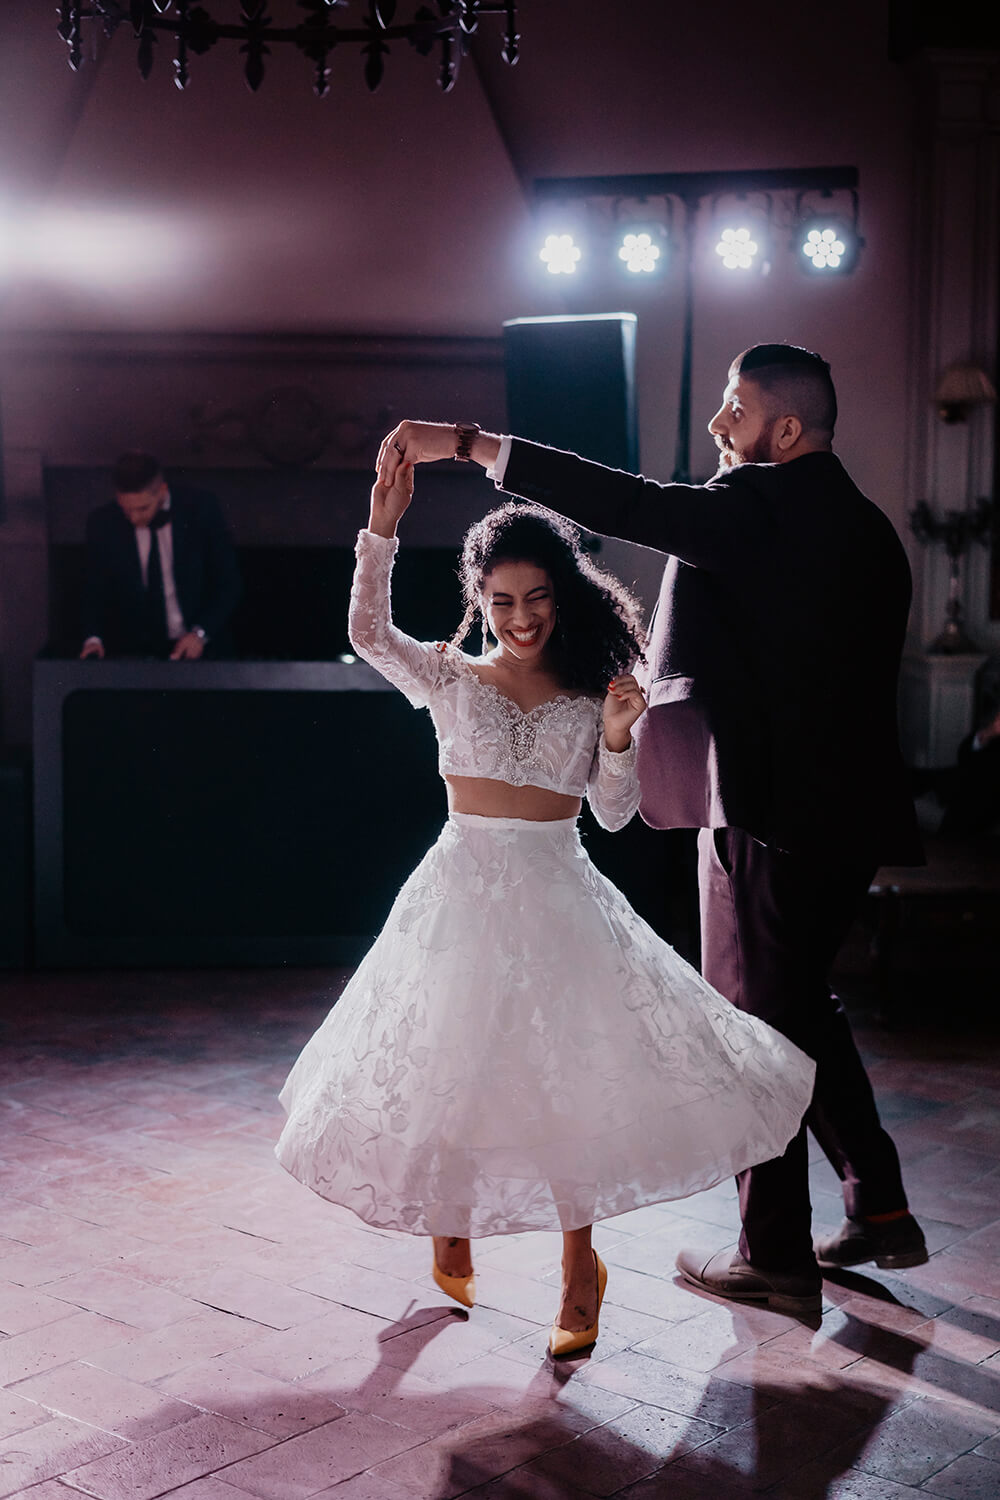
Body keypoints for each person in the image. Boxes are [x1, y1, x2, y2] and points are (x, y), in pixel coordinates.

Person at [375, 342, 928, 1315]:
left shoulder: (758, 511)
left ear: (784, 430)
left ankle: (774, 1252)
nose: (719, 425)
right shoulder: (870, 531)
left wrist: (467, 444)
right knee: (799, 1001)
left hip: (765, 815)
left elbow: (622, 503)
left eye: (734, 406)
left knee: (752, 1025)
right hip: (850, 819)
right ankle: (877, 1202)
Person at [275, 461, 816, 1355]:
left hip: (560, 899)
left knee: (568, 1091)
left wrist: (613, 737)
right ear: (479, 600)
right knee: (450, 1068)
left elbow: (608, 813)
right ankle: (450, 1222)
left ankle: (579, 1274)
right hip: (457, 900)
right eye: (501, 601)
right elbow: (368, 631)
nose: (521, 618)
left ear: (561, 598)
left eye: (536, 599)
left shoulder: (589, 694)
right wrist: (382, 527)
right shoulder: (447, 677)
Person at [80, 451, 241, 660]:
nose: (134, 518)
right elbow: (92, 591)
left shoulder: (201, 509)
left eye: (142, 508)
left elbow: (229, 583)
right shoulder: (101, 522)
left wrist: (200, 634)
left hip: (200, 647)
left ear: (162, 491)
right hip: (133, 652)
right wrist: (93, 639)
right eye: (126, 509)